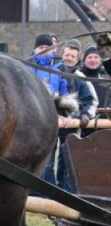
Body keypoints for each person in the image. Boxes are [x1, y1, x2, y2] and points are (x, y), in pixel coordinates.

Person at [43, 41, 97, 191]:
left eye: (73, 56)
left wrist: (86, 115)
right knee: (46, 160)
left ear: (77, 58)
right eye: (67, 55)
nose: (69, 58)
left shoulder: (81, 78)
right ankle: (47, 192)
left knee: (67, 160)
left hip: (72, 124)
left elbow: (91, 101)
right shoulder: (51, 73)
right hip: (51, 123)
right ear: (62, 55)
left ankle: (65, 192)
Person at [81, 45, 110, 112]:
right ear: (84, 60)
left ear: (100, 60)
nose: (93, 60)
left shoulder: (107, 77)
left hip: (105, 118)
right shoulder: (78, 76)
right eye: (90, 57)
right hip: (82, 118)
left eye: (96, 57)